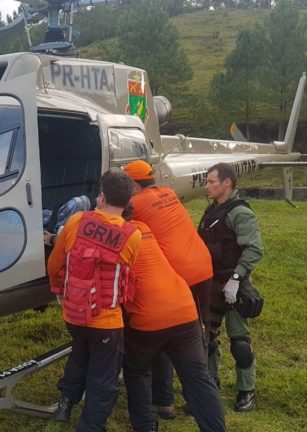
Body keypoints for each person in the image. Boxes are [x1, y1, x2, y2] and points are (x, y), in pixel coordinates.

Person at [47, 171, 141, 431]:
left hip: (74, 313)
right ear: (128, 201)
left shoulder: (76, 220)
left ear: (101, 196)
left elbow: (55, 263)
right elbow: (127, 269)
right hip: (106, 321)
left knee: (80, 353)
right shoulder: (132, 235)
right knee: (103, 378)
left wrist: (59, 290)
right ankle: (90, 426)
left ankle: (66, 403)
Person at [123, 160, 214, 419]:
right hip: (203, 266)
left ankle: (165, 400)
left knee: (165, 339)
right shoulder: (169, 193)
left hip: (180, 274)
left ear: (133, 186)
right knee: (200, 333)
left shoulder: (136, 205)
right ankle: (198, 396)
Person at [122, 217, 225, 432]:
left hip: (149, 316)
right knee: (198, 377)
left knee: (137, 370)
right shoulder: (144, 227)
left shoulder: (110, 232)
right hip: (184, 308)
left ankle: (145, 426)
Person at [198, 162, 264, 412]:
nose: (207, 186)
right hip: (211, 284)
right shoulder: (211, 211)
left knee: (240, 343)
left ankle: (246, 390)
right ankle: (210, 388)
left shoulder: (240, 213)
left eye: (211, 182)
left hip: (234, 285)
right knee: (207, 339)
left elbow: (254, 249)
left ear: (227, 183)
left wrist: (236, 279)